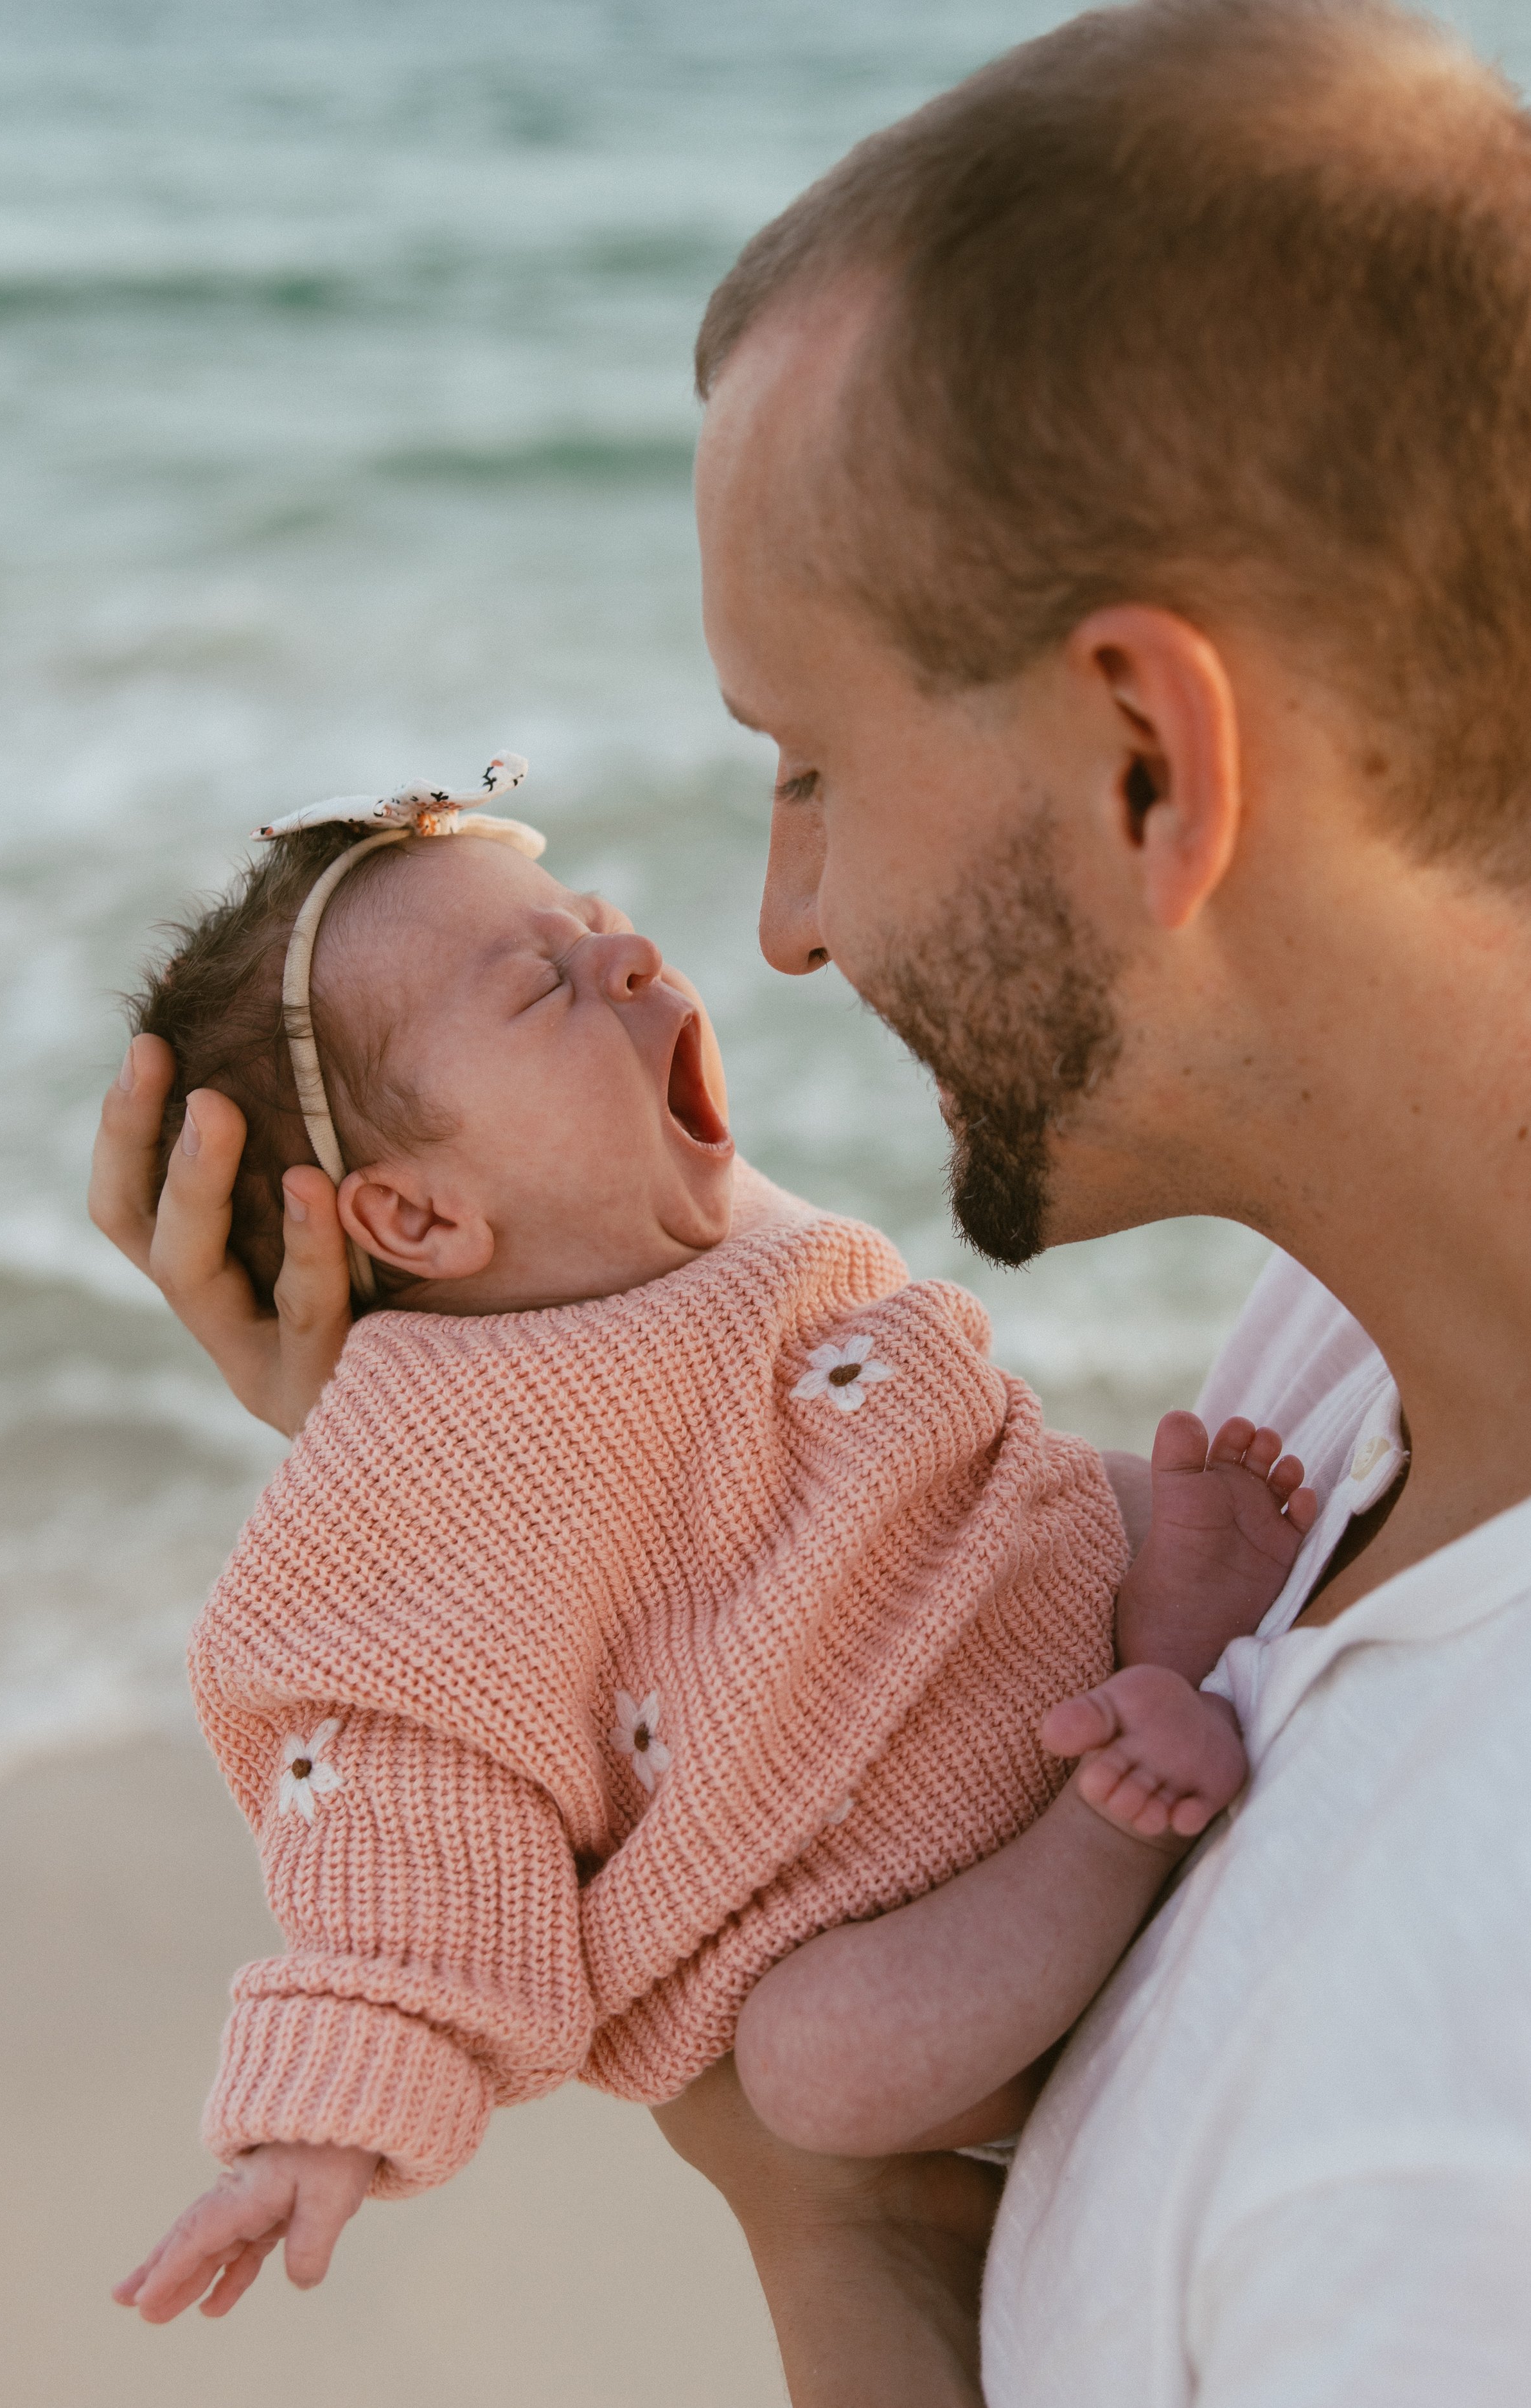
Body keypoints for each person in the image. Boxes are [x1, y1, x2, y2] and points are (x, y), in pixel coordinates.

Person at [90, 0, 1531, 2396]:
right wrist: (491, 1510)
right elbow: (779, 1575)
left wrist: (800, 2182)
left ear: (1150, 759)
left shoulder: (1408, 2187)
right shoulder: (1357, 1341)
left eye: (810, 763)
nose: (781, 925)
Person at [107, 774, 1311, 2324]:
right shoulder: (404, 1470)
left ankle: (1158, 1656)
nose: (630, 959)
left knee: (1121, 1478)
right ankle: (1120, 1812)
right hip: (851, 1899)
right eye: (543, 982)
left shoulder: (729, 1243)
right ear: (411, 1217)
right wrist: (323, 2112)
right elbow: (396, 1783)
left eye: (606, 929)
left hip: (1030, 1601)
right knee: (815, 2070)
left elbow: (932, 1428)